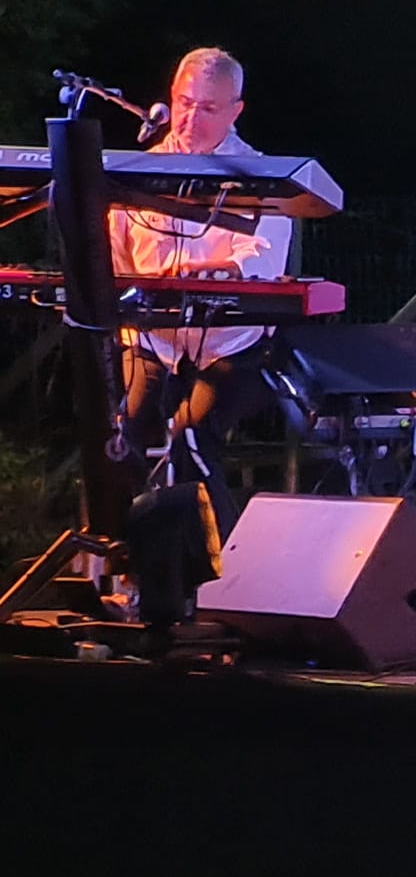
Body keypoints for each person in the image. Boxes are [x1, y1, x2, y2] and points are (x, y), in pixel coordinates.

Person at [109, 46, 292, 536]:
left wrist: (213, 270)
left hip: (232, 344)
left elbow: (262, 260)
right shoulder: (133, 173)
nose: (191, 118)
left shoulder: (262, 176)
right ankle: (131, 556)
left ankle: (225, 565)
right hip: (153, 339)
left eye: (208, 108)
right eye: (184, 103)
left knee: (191, 439)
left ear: (236, 111)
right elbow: (116, 257)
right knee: (120, 442)